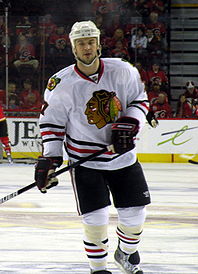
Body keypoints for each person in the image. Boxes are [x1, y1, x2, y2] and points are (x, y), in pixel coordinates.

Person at [34, 20, 151, 274]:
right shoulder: (61, 83)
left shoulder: (123, 70)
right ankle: (98, 269)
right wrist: (50, 159)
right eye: (80, 44)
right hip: (85, 162)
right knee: (95, 221)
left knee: (135, 218)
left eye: (90, 42)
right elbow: (52, 124)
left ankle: (126, 254)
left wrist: (129, 124)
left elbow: (140, 101)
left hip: (123, 159)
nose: (86, 48)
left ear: (98, 44)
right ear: (73, 48)